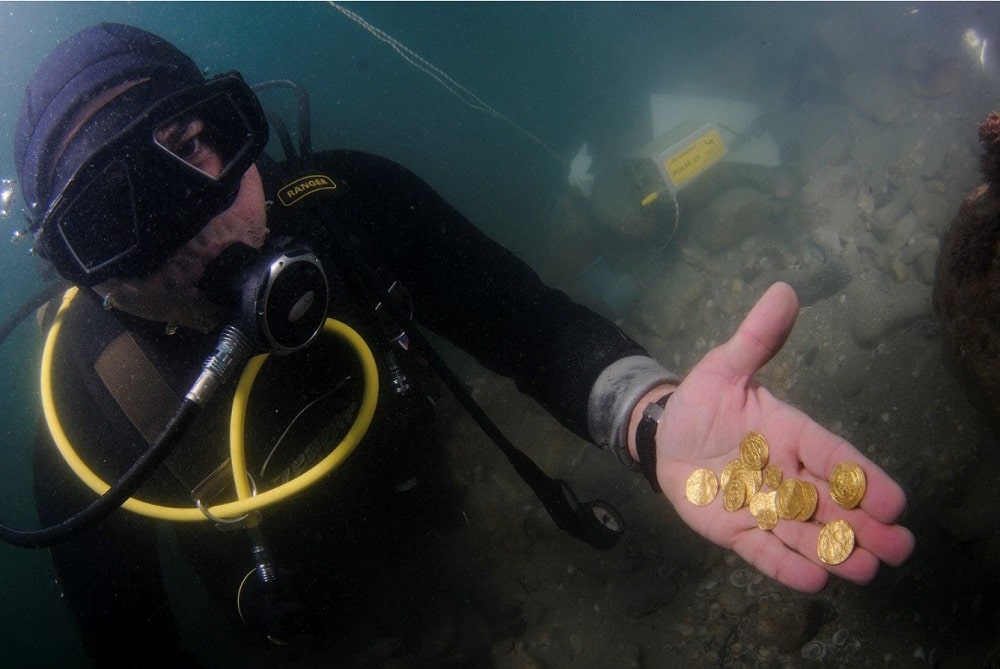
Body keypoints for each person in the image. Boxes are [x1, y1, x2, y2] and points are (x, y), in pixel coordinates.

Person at [9, 23, 914, 667]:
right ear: (79, 271)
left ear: (234, 127)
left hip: (423, 502)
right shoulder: (85, 414)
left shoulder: (347, 204)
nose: (195, 222)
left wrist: (653, 416)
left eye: (194, 144)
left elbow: (523, 320)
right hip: (309, 611)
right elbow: (131, 645)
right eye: (113, 214)